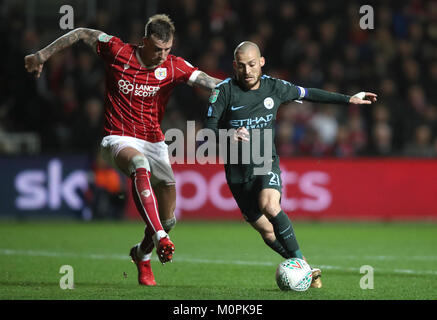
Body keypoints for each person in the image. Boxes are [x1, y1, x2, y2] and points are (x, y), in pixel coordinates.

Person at [24, 14, 222, 286]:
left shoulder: (174, 66)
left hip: (154, 140)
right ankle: (160, 237)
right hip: (117, 138)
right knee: (139, 165)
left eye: (167, 49)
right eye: (157, 49)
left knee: (169, 219)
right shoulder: (118, 52)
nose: (162, 55)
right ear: (143, 42)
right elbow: (81, 32)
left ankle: (142, 254)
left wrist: (245, 89)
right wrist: (42, 55)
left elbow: (209, 81)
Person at [204, 41, 377, 288]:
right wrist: (228, 135)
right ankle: (304, 266)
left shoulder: (275, 87)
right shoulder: (223, 91)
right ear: (234, 66)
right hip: (237, 173)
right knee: (266, 232)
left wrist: (349, 99)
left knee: (270, 205)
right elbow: (206, 135)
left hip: (264, 160)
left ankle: (301, 267)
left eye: (252, 64)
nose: (247, 71)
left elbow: (308, 93)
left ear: (261, 62)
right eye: (241, 66)